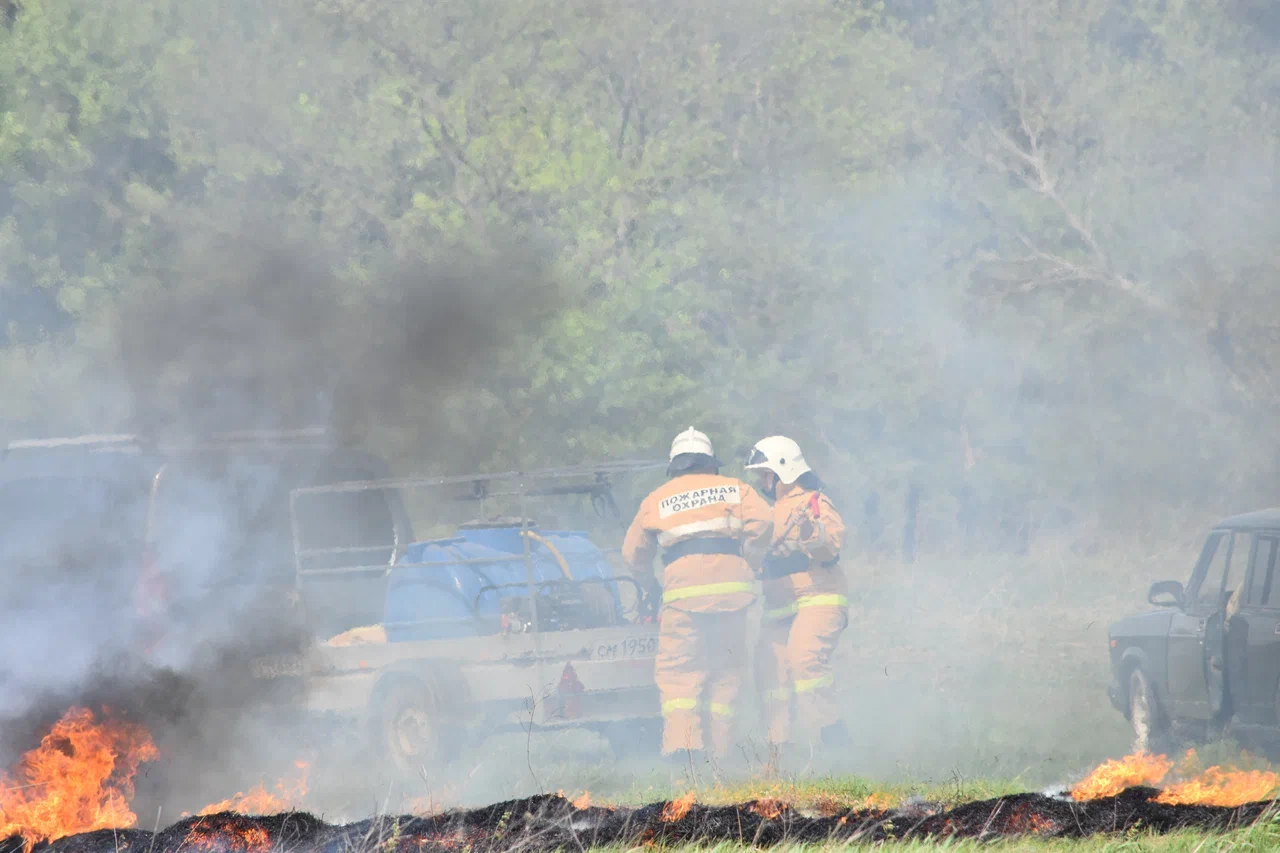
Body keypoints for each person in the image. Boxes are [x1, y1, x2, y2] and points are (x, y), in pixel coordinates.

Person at [622, 426, 773, 767]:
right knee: (727, 673)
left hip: (683, 600)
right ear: (711, 463)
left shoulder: (657, 498)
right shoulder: (736, 489)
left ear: (675, 466)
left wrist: (648, 584)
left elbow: (633, 554)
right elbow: (764, 522)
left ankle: (684, 751)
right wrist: (750, 559)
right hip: (733, 599)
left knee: (680, 675)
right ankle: (722, 756)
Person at [745, 435, 851, 768]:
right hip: (780, 606)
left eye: (765, 474)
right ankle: (779, 754)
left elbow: (830, 546)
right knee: (769, 670)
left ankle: (834, 743)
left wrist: (810, 532)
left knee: (804, 659)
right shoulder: (769, 511)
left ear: (782, 470)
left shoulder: (812, 502)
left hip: (818, 597)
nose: (762, 481)